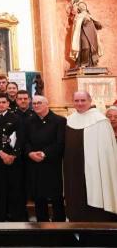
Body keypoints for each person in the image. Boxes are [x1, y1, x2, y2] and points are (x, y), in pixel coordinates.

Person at [64, 91, 117, 221]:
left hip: (96, 169)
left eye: (83, 100)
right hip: (73, 168)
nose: (80, 103)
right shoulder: (69, 120)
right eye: (76, 101)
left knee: (95, 195)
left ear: (90, 101)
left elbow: (106, 152)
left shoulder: (101, 121)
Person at [0, 93, 26, 221]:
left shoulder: (16, 118)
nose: (1, 104)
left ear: (8, 104)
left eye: (4, 102)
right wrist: (1, 153)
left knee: (14, 189)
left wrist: (13, 155)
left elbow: (21, 139)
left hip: (13, 160)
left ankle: (15, 217)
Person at [25, 95, 66, 222]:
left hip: (52, 163)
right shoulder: (29, 121)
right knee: (38, 196)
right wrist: (30, 153)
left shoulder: (59, 120)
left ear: (47, 104)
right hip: (35, 164)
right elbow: (25, 141)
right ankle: (41, 224)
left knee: (56, 197)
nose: (36, 105)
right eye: (34, 103)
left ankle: (60, 224)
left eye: (39, 103)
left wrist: (44, 153)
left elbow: (60, 143)